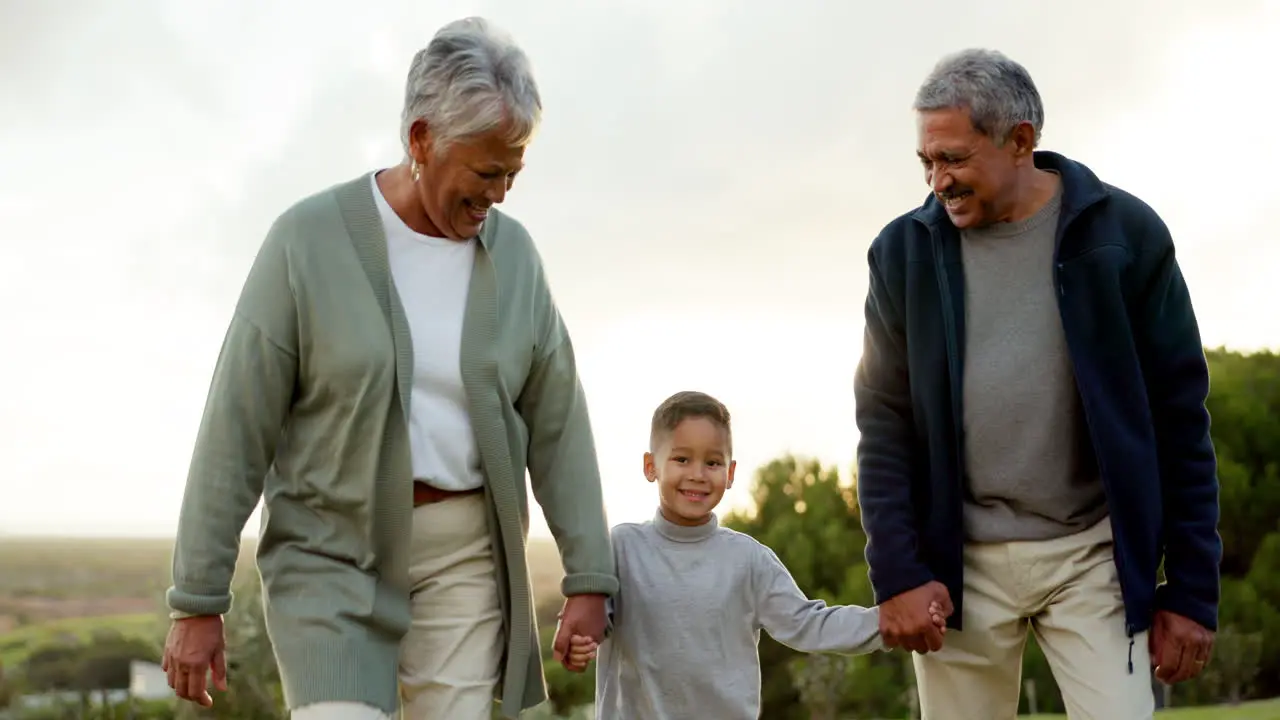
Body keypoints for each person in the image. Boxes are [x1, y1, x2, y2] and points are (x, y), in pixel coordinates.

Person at [160, 17, 617, 720]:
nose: (501, 193)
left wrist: (588, 577)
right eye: (488, 170)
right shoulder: (306, 243)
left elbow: (558, 423)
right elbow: (236, 424)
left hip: (464, 558)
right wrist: (197, 600)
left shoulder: (517, 259)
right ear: (421, 139)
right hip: (329, 556)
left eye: (514, 172)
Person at [853, 48, 1221, 719]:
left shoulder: (1126, 236)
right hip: (958, 567)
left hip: (1092, 557)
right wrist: (898, 573)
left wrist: (1192, 590)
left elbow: (1181, 419)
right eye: (927, 161)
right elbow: (883, 425)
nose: (938, 180)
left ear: (1020, 140)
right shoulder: (900, 255)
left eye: (955, 159)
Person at [567, 391, 945, 720]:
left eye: (712, 463)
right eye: (682, 459)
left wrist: (889, 620)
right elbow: (596, 616)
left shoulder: (749, 560)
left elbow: (808, 623)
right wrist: (579, 638)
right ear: (651, 466)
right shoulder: (621, 547)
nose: (698, 474)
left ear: (730, 473)